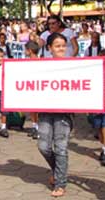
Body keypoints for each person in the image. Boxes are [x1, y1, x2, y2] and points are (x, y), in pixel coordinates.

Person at [37, 32, 73, 197]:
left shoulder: (74, 65)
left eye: (63, 46)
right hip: (45, 110)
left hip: (64, 113)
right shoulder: (42, 65)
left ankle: (60, 183)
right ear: (49, 48)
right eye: (57, 46)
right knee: (43, 146)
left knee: (60, 148)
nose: (61, 49)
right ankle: (58, 170)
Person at [25, 41, 41, 139]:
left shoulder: (39, 61)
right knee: (31, 109)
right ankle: (34, 126)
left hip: (37, 88)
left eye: (26, 50)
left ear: (30, 51)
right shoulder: (26, 61)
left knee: (38, 109)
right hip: (29, 87)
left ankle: (39, 128)